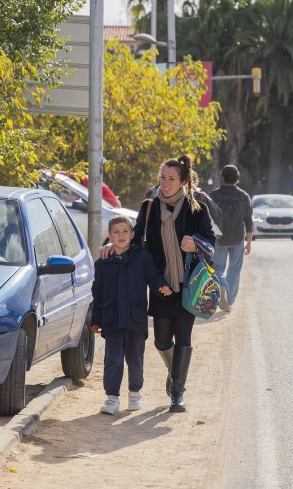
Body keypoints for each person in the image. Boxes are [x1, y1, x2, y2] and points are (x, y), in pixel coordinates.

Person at [108, 155, 215, 412]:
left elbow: (211, 243)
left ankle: (178, 392)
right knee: (161, 341)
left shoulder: (197, 208)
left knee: (184, 337)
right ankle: (173, 370)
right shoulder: (149, 208)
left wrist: (196, 244)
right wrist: (111, 247)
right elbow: (133, 239)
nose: (165, 183)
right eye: (163, 178)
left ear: (183, 182)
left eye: (171, 179)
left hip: (188, 285)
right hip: (159, 285)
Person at [91, 216, 172, 415]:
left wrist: (161, 285)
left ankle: (135, 393)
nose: (121, 235)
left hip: (136, 317)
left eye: (125, 231)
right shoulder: (103, 262)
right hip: (112, 318)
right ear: (109, 236)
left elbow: (153, 275)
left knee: (135, 359)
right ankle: (112, 398)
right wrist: (96, 318)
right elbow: (97, 292)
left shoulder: (142, 257)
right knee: (113, 359)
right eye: (116, 232)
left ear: (132, 234)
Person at [209, 165, 253, 306]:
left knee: (217, 268)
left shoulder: (213, 195)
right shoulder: (244, 196)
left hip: (218, 237)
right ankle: (229, 301)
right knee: (234, 269)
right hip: (238, 237)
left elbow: (207, 218)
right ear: (237, 179)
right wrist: (249, 242)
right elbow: (248, 221)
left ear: (222, 177)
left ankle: (222, 285)